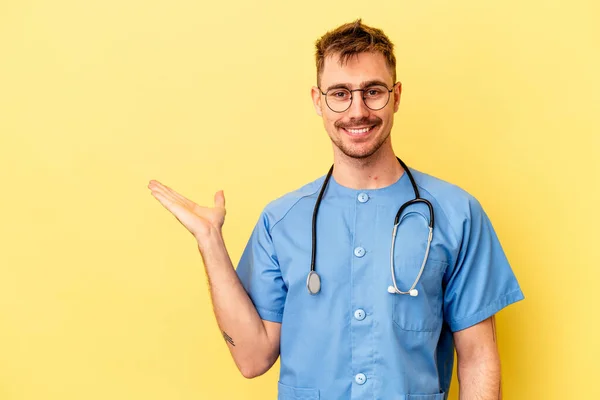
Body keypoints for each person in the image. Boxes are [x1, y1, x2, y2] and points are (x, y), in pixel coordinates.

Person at [147, 19, 524, 400]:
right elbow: (251, 358)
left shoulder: (457, 214)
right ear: (317, 100)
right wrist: (210, 242)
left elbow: (478, 358)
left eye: (373, 91)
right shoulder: (281, 222)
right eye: (340, 93)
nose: (357, 110)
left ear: (396, 96)